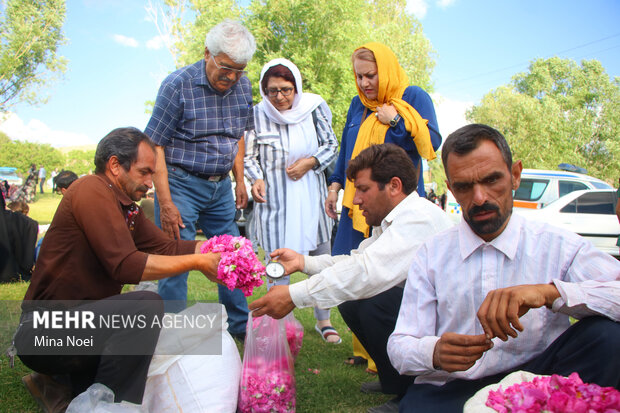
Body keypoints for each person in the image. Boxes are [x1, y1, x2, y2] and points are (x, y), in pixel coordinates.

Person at [388, 124, 620, 413]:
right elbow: (400, 344)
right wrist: (434, 352)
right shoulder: (431, 254)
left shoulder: (559, 245)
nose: (480, 197)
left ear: (515, 175)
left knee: (608, 337)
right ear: (450, 189)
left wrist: (549, 293)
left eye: (491, 180)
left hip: (541, 377)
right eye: (464, 186)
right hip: (454, 387)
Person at [14, 127, 223, 411]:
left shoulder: (127, 207)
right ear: (114, 165)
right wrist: (197, 262)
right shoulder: (91, 188)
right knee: (145, 305)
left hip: (82, 327)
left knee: (122, 359)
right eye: (144, 172)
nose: (150, 183)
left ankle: (56, 384)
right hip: (43, 332)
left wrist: (213, 249)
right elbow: (124, 265)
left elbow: (165, 247)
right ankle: (112, 405)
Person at [250, 143, 453, 413]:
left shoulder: (418, 219)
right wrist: (303, 262)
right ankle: (395, 378)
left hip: (449, 326)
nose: (356, 200)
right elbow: (356, 261)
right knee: (353, 301)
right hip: (429, 316)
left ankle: (412, 392)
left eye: (363, 189)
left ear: (394, 186)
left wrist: (293, 296)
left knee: (372, 301)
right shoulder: (396, 219)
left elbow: (366, 272)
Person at [144, 20, 255, 337]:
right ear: (207, 53)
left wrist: (240, 180)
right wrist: (166, 202)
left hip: (220, 186)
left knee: (233, 255)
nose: (232, 77)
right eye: (225, 68)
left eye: (239, 70)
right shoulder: (177, 85)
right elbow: (156, 145)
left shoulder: (242, 86)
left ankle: (240, 325)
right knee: (175, 259)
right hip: (181, 183)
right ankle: (173, 333)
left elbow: (237, 136)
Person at [244, 58, 341, 343]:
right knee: (276, 260)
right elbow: (248, 156)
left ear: (296, 87)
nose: (280, 97)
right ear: (264, 91)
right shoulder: (256, 115)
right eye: (272, 90)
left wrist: (310, 162)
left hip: (312, 199)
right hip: (276, 202)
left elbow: (331, 144)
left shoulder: (312, 109)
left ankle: (323, 319)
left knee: (321, 259)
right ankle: (279, 323)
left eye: (286, 89)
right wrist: (256, 177)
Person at [325, 42, 441, 256]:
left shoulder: (412, 97)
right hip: (359, 204)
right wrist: (334, 188)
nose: (364, 83)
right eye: (359, 77)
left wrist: (396, 120)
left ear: (386, 70)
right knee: (349, 269)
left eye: (370, 75)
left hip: (398, 207)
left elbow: (431, 143)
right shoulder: (357, 105)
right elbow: (346, 154)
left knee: (394, 277)